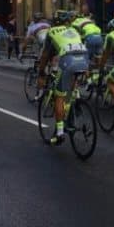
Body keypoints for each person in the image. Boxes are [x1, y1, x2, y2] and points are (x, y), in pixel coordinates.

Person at [36, 10, 89, 145]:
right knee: (71, 85)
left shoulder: (52, 32)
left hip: (68, 60)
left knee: (59, 96)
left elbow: (45, 55)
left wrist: (41, 70)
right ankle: (73, 101)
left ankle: (59, 133)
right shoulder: (74, 31)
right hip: (83, 59)